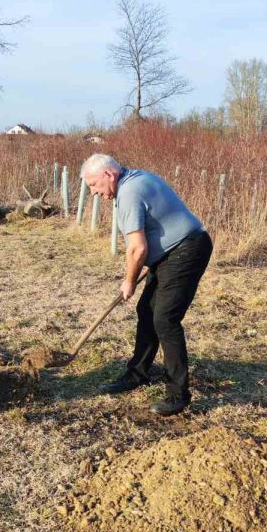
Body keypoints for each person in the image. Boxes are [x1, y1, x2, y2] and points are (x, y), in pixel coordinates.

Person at [81, 154, 212, 415]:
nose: (94, 193)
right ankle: (138, 373)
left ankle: (178, 394)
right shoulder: (136, 177)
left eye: (94, 185)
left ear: (109, 175)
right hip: (172, 252)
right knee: (147, 311)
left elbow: (137, 249)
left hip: (186, 250)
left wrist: (128, 281)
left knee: (165, 319)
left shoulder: (129, 192)